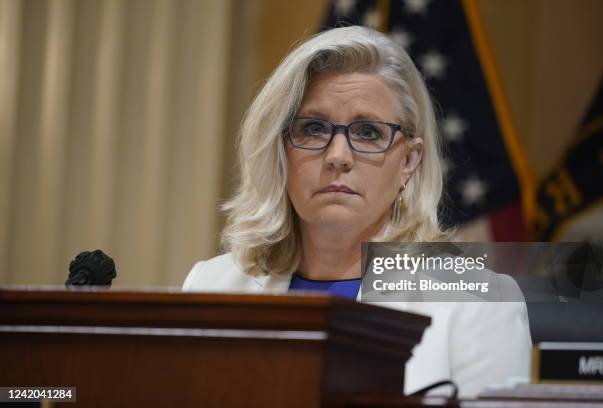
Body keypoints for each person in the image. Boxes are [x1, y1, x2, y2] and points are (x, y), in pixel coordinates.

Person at [182, 25, 531, 397]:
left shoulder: (478, 303)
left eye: (368, 133)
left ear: (409, 161)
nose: (337, 157)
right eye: (314, 128)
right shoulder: (209, 286)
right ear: (280, 150)